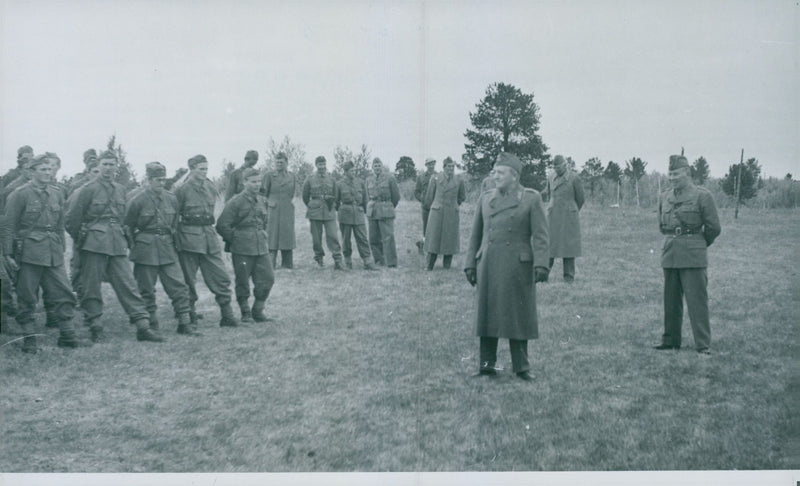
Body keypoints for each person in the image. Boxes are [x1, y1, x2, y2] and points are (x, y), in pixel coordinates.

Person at [463, 152, 549, 381]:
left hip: (517, 266)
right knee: (487, 315)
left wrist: (542, 264)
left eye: (500, 173)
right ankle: (486, 366)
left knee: (518, 316)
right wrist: (470, 264)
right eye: (494, 172)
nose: (495, 176)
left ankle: (522, 368)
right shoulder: (485, 198)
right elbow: (475, 235)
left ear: (514, 176)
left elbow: (541, 235)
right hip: (488, 263)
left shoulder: (531, 198)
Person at [66, 150, 164, 343]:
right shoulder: (87, 189)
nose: (108, 168)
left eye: (112, 164)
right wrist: (84, 239)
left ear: (116, 166)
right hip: (93, 244)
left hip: (117, 242)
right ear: (98, 166)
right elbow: (71, 219)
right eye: (105, 164)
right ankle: (95, 325)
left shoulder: (120, 189)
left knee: (128, 284)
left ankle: (142, 326)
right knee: (91, 285)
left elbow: (123, 217)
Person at [5, 155, 91, 352]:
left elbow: (60, 223)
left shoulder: (57, 193)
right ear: (32, 170)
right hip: (28, 252)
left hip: (52, 251)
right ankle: (29, 339)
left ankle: (67, 334)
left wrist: (61, 245)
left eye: (50, 169)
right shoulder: (19, 194)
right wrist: (8, 254)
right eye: (43, 169)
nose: (47, 172)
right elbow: (9, 226)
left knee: (64, 292)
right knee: (26, 296)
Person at [654, 154, 721, 354]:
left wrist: (698, 244)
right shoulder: (664, 197)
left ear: (687, 173)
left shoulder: (702, 196)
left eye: (676, 174)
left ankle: (703, 344)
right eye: (670, 174)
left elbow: (714, 228)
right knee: (671, 302)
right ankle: (671, 340)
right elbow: (662, 226)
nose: (672, 177)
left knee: (697, 302)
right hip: (670, 254)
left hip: (693, 256)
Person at [125, 162, 198, 336]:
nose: (161, 183)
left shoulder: (171, 198)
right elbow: (128, 226)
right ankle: (151, 324)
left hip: (167, 247)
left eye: (163, 180)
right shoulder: (137, 200)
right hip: (145, 249)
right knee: (146, 288)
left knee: (179, 286)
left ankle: (184, 323)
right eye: (157, 180)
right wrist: (136, 245)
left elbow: (174, 223)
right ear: (148, 180)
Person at [174, 155, 238, 327]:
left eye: (206, 169)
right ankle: (188, 315)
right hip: (188, 239)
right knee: (188, 279)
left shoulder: (210, 187)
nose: (204, 172)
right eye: (200, 169)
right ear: (191, 169)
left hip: (209, 238)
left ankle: (227, 315)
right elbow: (174, 216)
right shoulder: (181, 190)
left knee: (220, 276)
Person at [216, 168, 275, 323]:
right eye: (253, 181)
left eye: (259, 181)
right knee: (242, 282)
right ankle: (245, 312)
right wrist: (236, 239)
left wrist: (262, 234)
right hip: (242, 248)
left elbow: (264, 222)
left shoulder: (262, 200)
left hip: (260, 246)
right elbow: (222, 225)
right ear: (244, 182)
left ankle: (258, 310)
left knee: (268, 278)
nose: (257, 184)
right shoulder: (235, 202)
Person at [543, 155, 585, 283]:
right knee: (550, 246)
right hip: (553, 215)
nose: (557, 169)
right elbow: (550, 195)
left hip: (568, 217)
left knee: (569, 247)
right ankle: (543, 276)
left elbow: (580, 199)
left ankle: (568, 277)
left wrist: (571, 210)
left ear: (565, 165)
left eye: (559, 167)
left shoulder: (574, 178)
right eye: (554, 167)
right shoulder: (550, 176)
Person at [302, 155, 344, 269]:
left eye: (324, 164)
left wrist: (332, 203)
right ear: (316, 165)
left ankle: (338, 260)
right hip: (315, 212)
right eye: (320, 164)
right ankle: (319, 259)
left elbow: (336, 195)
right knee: (316, 238)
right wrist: (312, 206)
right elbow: (305, 196)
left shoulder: (331, 179)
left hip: (329, 211)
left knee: (333, 236)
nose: (322, 167)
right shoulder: (309, 179)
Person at [424, 156, 466, 270]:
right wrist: (437, 205)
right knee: (434, 239)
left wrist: (452, 205)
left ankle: (447, 266)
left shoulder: (459, 180)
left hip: (451, 213)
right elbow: (429, 197)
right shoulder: (435, 178)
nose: (451, 169)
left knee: (449, 240)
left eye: (452, 166)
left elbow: (462, 196)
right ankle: (429, 266)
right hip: (437, 212)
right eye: (448, 166)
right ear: (444, 167)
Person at [335, 161, 377, 270]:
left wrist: (363, 210)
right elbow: (335, 202)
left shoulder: (360, 182)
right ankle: (348, 261)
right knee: (346, 239)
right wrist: (343, 210)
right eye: (351, 170)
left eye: (354, 170)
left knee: (362, 238)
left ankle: (367, 261)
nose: (353, 172)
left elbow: (365, 199)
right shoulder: (339, 184)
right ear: (345, 171)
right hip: (345, 214)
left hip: (358, 214)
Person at [261, 151, 296, 269]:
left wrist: (286, 203)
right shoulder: (269, 176)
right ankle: (271, 263)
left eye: (281, 162)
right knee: (272, 235)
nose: (279, 164)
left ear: (287, 162)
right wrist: (265, 210)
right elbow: (263, 195)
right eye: (277, 162)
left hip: (287, 210)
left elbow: (291, 193)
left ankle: (287, 263)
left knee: (287, 235)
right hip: (273, 210)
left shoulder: (292, 176)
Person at [366, 157, 400, 268]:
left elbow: (396, 196)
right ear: (372, 168)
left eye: (379, 165)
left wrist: (389, 206)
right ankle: (379, 259)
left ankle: (391, 261)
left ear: (382, 166)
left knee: (388, 237)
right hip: (373, 210)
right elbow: (367, 196)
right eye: (375, 166)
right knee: (373, 237)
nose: (377, 168)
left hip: (385, 209)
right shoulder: (368, 179)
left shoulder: (390, 178)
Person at [414, 158, 437, 252]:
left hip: (437, 206)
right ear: (426, 165)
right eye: (429, 164)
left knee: (436, 227)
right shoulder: (421, 177)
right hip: (426, 207)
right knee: (426, 227)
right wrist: (422, 200)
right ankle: (423, 246)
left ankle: (433, 248)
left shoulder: (439, 176)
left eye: (432, 164)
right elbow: (416, 192)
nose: (431, 166)